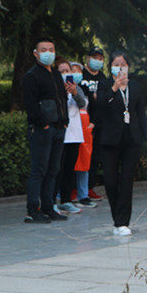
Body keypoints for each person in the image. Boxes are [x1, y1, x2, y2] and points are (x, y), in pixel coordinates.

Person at [96, 51, 147, 235]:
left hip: (131, 138)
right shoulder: (105, 84)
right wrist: (114, 88)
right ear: (111, 67)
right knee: (111, 181)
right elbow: (100, 105)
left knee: (126, 180)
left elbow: (140, 114)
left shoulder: (135, 87)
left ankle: (122, 222)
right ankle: (117, 216)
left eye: (123, 64)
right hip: (110, 139)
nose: (120, 67)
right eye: (116, 64)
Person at [22, 38, 69, 223]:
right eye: (43, 49)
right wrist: (43, 123)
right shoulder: (32, 76)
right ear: (36, 53)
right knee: (39, 170)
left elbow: (63, 99)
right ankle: (32, 210)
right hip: (43, 129)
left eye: (51, 49)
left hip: (59, 128)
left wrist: (65, 122)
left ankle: (49, 207)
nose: (48, 52)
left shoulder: (56, 74)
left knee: (53, 170)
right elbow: (31, 104)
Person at [56, 59, 88, 214]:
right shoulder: (54, 88)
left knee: (70, 169)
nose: (65, 74)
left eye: (67, 71)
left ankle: (66, 200)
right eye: (61, 71)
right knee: (57, 168)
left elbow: (83, 104)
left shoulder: (77, 88)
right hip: (60, 134)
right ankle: (52, 200)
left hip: (75, 134)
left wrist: (74, 93)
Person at [81, 47, 107, 201]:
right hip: (83, 123)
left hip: (99, 124)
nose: (97, 60)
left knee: (94, 157)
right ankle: (75, 189)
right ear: (88, 58)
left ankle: (89, 187)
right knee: (81, 157)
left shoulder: (103, 78)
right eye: (94, 57)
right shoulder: (81, 75)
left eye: (100, 58)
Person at [70, 62, 97, 209]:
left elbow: (92, 106)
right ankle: (65, 194)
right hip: (71, 127)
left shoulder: (84, 89)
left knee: (85, 160)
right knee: (69, 161)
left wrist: (93, 122)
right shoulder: (63, 88)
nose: (75, 73)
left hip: (85, 128)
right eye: (71, 70)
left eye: (78, 71)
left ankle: (83, 193)